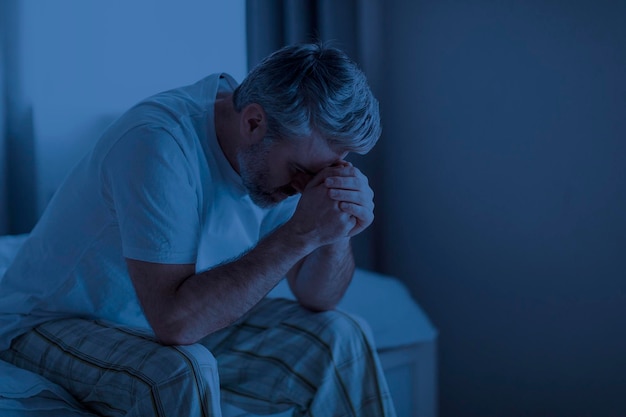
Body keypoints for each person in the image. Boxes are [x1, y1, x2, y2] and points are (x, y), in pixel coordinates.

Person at [0, 42, 397, 416]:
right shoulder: (158, 143)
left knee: (341, 336)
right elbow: (175, 323)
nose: (302, 187)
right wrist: (301, 234)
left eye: (324, 171)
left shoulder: (278, 148)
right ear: (254, 122)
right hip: (48, 322)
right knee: (182, 370)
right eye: (301, 172)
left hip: (172, 323)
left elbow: (317, 296)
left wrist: (335, 224)